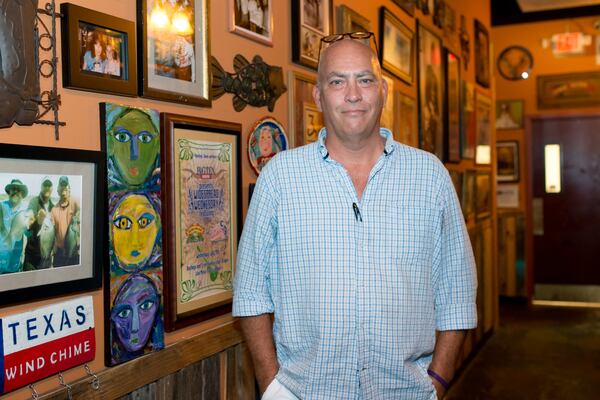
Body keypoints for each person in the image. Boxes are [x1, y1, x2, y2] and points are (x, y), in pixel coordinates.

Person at [233, 36, 477, 399]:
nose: (352, 94)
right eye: (337, 81)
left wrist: (438, 382)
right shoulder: (279, 179)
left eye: (364, 80)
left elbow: (457, 293)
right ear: (318, 96)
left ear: (383, 91)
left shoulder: (430, 177)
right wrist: (271, 386)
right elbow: (250, 293)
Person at [23, 177, 55, 270]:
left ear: (52, 188)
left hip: (46, 258)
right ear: (41, 187)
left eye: (49, 185)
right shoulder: (34, 202)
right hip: (31, 257)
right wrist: (36, 219)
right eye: (45, 185)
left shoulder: (53, 207)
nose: (47, 187)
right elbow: (29, 215)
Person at [51, 176, 80, 267]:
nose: (63, 188)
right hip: (59, 253)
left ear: (69, 189)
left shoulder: (76, 202)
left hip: (74, 250)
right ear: (57, 190)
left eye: (65, 186)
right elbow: (53, 232)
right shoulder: (54, 209)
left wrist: (79, 214)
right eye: (61, 186)